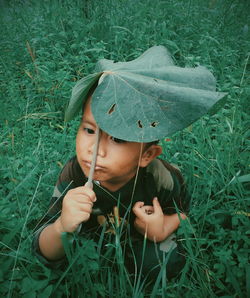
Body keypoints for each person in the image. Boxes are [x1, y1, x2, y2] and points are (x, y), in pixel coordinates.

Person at [33, 46, 226, 281]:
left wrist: (162, 227)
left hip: (138, 238)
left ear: (148, 155)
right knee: (63, 260)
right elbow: (42, 248)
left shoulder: (163, 178)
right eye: (89, 129)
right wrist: (63, 226)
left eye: (117, 138)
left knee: (163, 264)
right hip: (91, 244)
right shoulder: (74, 174)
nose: (95, 150)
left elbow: (182, 212)